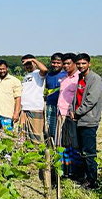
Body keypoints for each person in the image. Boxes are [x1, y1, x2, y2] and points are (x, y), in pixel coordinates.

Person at [70, 53, 102, 189]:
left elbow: (91, 100)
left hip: (89, 120)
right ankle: (84, 178)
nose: (81, 66)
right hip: (80, 119)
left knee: (89, 152)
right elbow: (76, 98)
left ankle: (92, 181)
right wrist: (73, 110)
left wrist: (77, 113)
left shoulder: (95, 79)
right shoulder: (80, 78)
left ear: (89, 63)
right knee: (82, 151)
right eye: (79, 64)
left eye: (83, 63)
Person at [57, 53, 81, 178]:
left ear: (75, 64)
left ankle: (75, 172)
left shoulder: (79, 78)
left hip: (71, 115)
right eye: (64, 64)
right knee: (63, 143)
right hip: (61, 114)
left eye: (68, 63)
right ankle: (65, 170)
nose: (65, 66)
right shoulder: (65, 79)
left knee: (73, 144)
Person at [20, 54, 48, 143]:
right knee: (23, 135)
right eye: (25, 64)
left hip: (35, 108)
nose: (28, 66)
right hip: (24, 109)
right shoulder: (26, 76)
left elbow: (44, 70)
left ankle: (37, 155)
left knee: (36, 137)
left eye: (29, 63)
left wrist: (33, 60)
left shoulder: (38, 73)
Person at [0, 60, 22, 131]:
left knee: (7, 137)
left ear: (7, 68)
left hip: (7, 114)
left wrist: (16, 113)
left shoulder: (15, 81)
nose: (2, 71)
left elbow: (18, 98)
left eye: (3, 69)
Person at [44, 53, 66, 142]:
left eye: (58, 62)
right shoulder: (48, 75)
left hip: (62, 108)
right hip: (50, 105)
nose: (55, 65)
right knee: (50, 129)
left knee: (61, 130)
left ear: (62, 63)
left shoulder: (66, 74)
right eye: (53, 62)